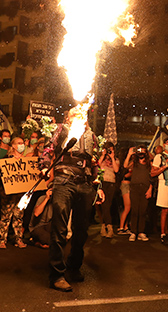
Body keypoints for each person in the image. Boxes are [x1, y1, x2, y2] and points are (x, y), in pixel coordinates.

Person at [49, 116, 104, 292]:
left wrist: (98, 183)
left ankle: (73, 267)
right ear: (68, 118)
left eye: (84, 115)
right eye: (75, 114)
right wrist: (43, 166)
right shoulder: (61, 130)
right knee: (60, 229)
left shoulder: (92, 136)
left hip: (85, 183)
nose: (81, 117)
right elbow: (47, 149)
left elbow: (94, 161)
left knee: (81, 229)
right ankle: (57, 274)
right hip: (64, 179)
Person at [0, 137, 31, 249]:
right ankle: (2, 240)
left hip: (20, 193)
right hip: (8, 193)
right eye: (19, 143)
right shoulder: (6, 159)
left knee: (18, 216)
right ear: (13, 146)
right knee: (6, 216)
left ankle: (18, 239)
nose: (22, 145)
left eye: (23, 143)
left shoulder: (26, 160)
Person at [124, 146, 152, 241]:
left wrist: (150, 189)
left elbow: (152, 177)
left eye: (142, 151)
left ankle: (141, 232)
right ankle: (133, 232)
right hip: (135, 188)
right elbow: (125, 166)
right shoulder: (134, 163)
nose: (141, 153)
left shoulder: (149, 164)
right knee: (135, 210)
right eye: (139, 151)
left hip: (145, 188)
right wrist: (129, 154)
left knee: (143, 211)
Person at [98, 141, 119, 238]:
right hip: (102, 183)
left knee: (107, 205)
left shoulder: (116, 159)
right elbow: (97, 166)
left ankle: (106, 227)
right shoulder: (102, 159)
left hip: (111, 183)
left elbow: (116, 170)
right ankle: (107, 227)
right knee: (102, 205)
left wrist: (112, 157)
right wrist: (103, 155)